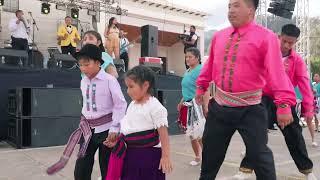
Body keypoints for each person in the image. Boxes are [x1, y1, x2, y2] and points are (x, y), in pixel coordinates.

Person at [196, 0, 297, 179]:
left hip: (251, 109)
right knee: (210, 156)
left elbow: (277, 73)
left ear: (250, 9)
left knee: (260, 157)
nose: (230, 11)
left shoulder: (266, 37)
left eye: (236, 5)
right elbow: (210, 66)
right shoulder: (219, 36)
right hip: (219, 108)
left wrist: (284, 105)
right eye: (229, 6)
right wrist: (201, 86)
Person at [234, 24, 317, 180]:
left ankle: (307, 170)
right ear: (279, 37)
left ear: (296, 42)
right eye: (284, 41)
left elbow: (305, 85)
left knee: (295, 136)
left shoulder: (297, 61)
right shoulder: (266, 54)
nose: (286, 45)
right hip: (264, 99)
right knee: (256, 132)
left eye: (291, 43)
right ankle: (245, 169)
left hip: (285, 101)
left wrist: (309, 109)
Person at [46, 44, 127, 180]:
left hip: (107, 131)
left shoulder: (109, 80)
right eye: (80, 65)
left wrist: (115, 128)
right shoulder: (83, 81)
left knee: (107, 167)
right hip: (88, 130)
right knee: (81, 168)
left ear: (97, 62)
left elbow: (120, 104)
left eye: (86, 64)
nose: (83, 68)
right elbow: (86, 104)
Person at [105, 65, 173, 180]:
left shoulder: (156, 107)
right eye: (127, 87)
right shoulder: (132, 105)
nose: (128, 91)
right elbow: (129, 130)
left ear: (145, 85)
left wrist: (165, 156)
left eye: (131, 87)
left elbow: (164, 134)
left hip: (149, 158)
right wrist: (117, 142)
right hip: (130, 156)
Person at [177, 47, 206, 166]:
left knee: (200, 134)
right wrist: (181, 102)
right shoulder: (187, 71)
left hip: (196, 105)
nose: (187, 59)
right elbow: (187, 89)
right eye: (186, 57)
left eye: (190, 57)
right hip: (187, 104)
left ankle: (207, 160)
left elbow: (203, 89)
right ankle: (197, 157)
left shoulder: (200, 70)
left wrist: (203, 106)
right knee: (191, 134)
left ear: (197, 58)